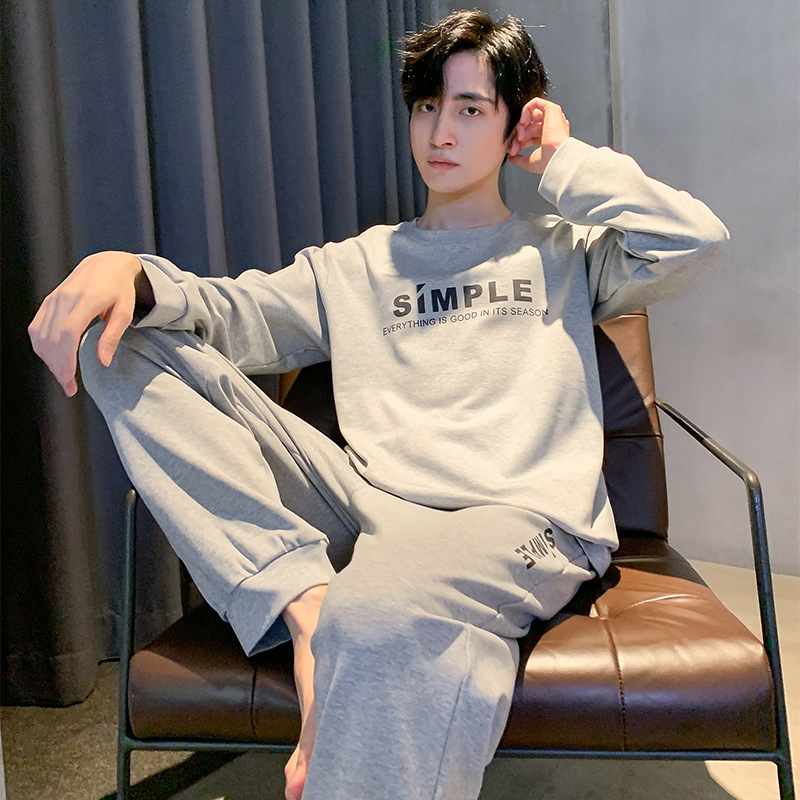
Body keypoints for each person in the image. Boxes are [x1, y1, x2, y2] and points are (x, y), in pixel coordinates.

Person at [28, 9, 729, 800]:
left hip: (516, 518)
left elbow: (694, 239)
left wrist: (561, 157)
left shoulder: (562, 252)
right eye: (427, 106)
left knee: (378, 611)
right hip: (366, 503)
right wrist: (126, 269)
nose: (440, 132)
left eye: (471, 108)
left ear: (514, 124)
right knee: (123, 337)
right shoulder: (354, 265)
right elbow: (227, 312)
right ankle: (302, 599)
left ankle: (354, 642)